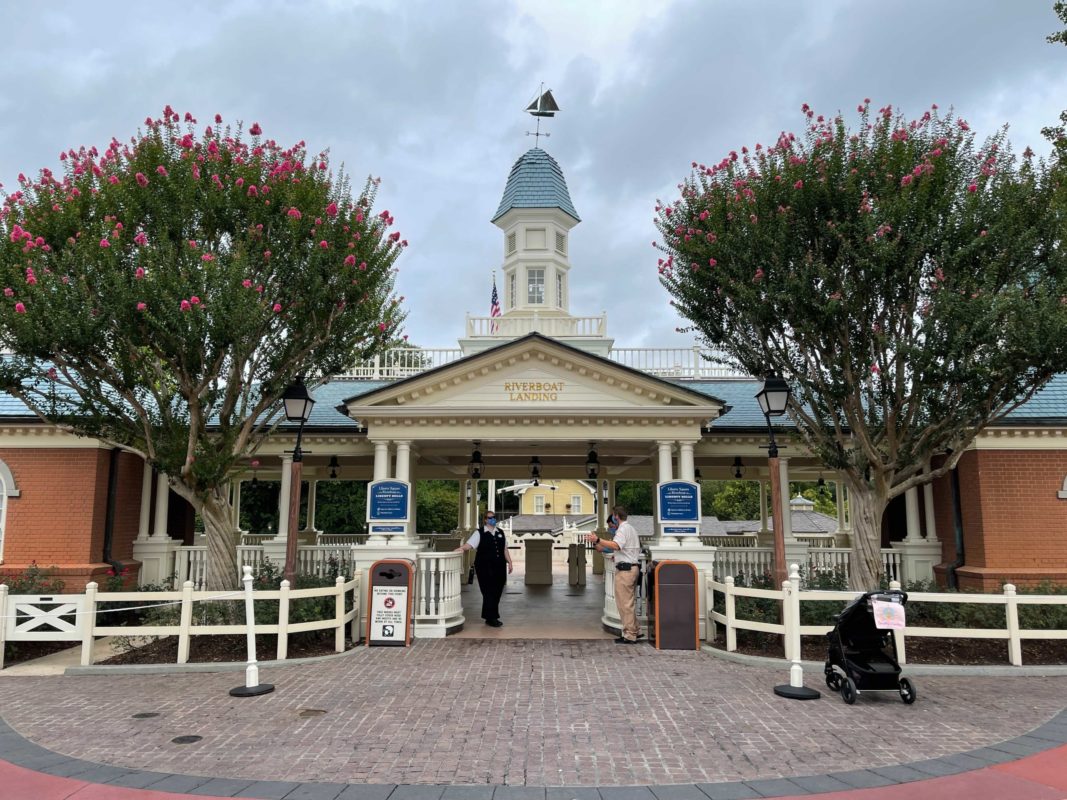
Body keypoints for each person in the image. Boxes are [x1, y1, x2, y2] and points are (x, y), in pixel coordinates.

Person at [587, 505, 642, 643]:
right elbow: (626, 549)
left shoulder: (622, 529)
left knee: (624, 604)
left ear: (616, 516)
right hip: (631, 568)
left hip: (625, 571)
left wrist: (598, 540)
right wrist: (617, 556)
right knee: (628, 602)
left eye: (613, 516)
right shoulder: (631, 528)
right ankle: (635, 629)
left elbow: (616, 545)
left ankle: (630, 635)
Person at [456, 510, 513, 627]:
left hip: (499, 567)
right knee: (488, 592)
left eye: (494, 517)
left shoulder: (500, 532)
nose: (493, 519)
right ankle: (492, 617)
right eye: (490, 518)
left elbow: (504, 549)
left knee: (497, 591)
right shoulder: (479, 533)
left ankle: (488, 616)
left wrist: (510, 562)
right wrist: (461, 548)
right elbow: (469, 545)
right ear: (485, 520)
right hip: (484, 567)